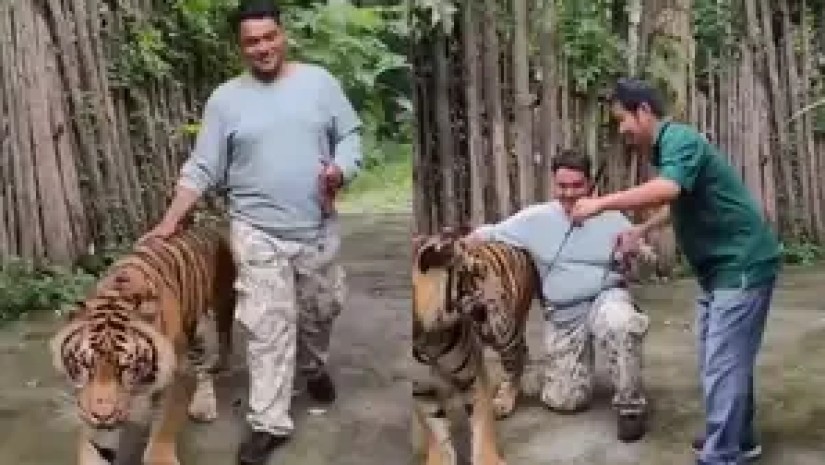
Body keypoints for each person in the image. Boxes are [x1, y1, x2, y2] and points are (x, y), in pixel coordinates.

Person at [140, 1, 362, 464]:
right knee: (267, 325)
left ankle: (312, 365)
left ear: (283, 34)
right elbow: (202, 166)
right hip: (256, 230)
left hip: (316, 227)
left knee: (320, 310)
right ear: (240, 47)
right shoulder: (225, 100)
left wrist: (341, 168)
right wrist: (169, 222)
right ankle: (268, 422)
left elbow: (350, 136)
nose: (262, 48)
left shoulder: (320, 83)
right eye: (252, 41)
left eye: (269, 37)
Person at [570, 78, 780, 465]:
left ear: (644, 112)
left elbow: (667, 190)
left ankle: (721, 455)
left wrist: (599, 204)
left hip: (742, 263)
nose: (622, 130)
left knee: (722, 363)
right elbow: (678, 200)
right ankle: (739, 438)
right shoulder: (667, 149)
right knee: (722, 358)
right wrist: (642, 230)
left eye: (622, 119)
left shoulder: (679, 139)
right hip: (719, 270)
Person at [465, 150, 653, 443]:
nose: (569, 193)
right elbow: (488, 233)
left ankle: (631, 408)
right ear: (553, 184)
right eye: (562, 186)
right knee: (564, 400)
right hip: (564, 314)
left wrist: (638, 251)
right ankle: (573, 372)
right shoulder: (534, 219)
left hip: (606, 297)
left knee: (622, 321)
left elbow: (646, 257)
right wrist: (454, 247)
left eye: (577, 185)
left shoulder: (612, 216)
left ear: (590, 184)